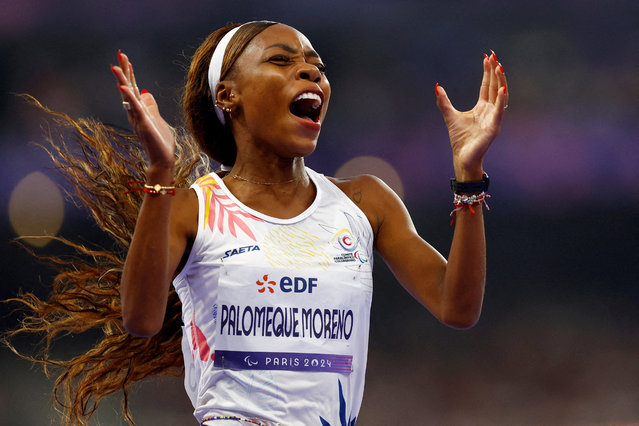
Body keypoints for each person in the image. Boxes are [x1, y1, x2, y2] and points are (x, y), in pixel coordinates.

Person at [6, 20, 507, 426]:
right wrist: (159, 172)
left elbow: (457, 306)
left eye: (317, 66)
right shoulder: (191, 207)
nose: (311, 74)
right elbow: (140, 320)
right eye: (282, 61)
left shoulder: (365, 200)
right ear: (228, 95)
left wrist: (469, 174)